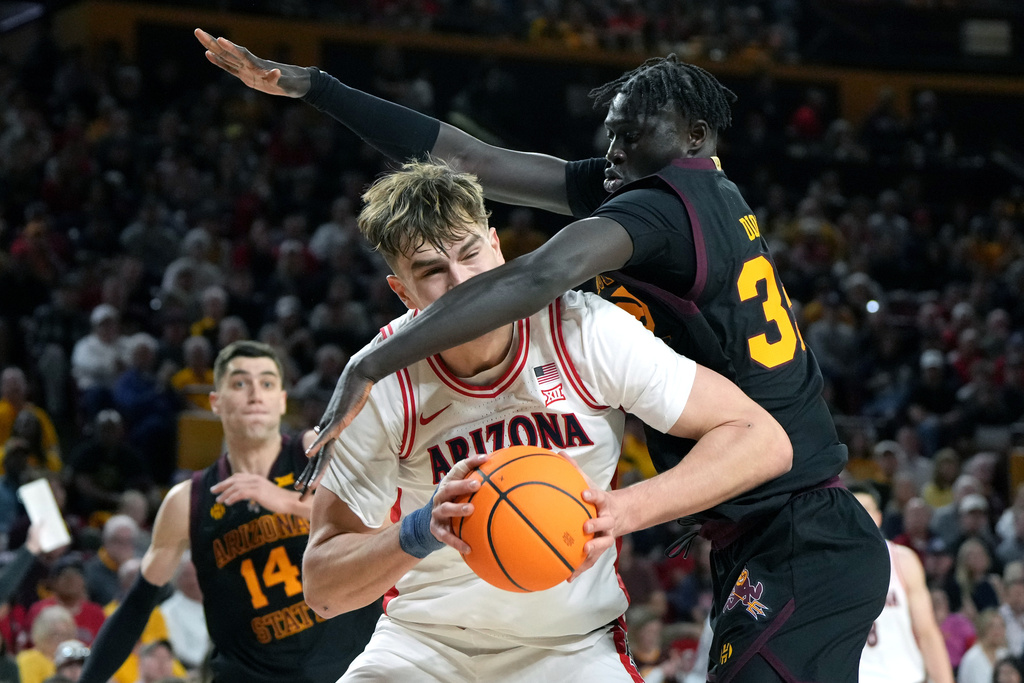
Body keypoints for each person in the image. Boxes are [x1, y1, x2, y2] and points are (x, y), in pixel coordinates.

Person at [196, 30, 889, 682]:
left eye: (629, 135)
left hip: (797, 520)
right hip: (750, 526)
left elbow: (535, 279)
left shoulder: (658, 215)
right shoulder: (655, 189)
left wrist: (368, 362)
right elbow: (474, 161)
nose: (611, 151)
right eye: (610, 135)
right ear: (400, 287)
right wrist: (315, 87)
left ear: (694, 138)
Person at [301, 159, 792, 680]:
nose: (463, 282)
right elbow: (324, 591)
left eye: (470, 255)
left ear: (497, 245)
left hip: (572, 647)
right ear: (402, 292)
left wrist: (624, 509)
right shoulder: (377, 384)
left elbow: (761, 439)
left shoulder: (583, 329)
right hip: (426, 646)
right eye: (431, 271)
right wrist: (420, 529)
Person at [79, 340, 380, 683]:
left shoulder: (319, 452)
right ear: (215, 402)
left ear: (282, 400)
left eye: (267, 383)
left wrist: (282, 500)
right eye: (240, 383)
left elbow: (380, 524)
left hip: (347, 669)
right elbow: (136, 607)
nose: (255, 394)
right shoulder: (187, 500)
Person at [851, 482, 954, 683]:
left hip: (905, 676)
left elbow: (927, 632)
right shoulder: (826, 567)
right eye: (853, 509)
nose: (860, 516)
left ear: (879, 517)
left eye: (866, 510)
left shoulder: (902, 559)